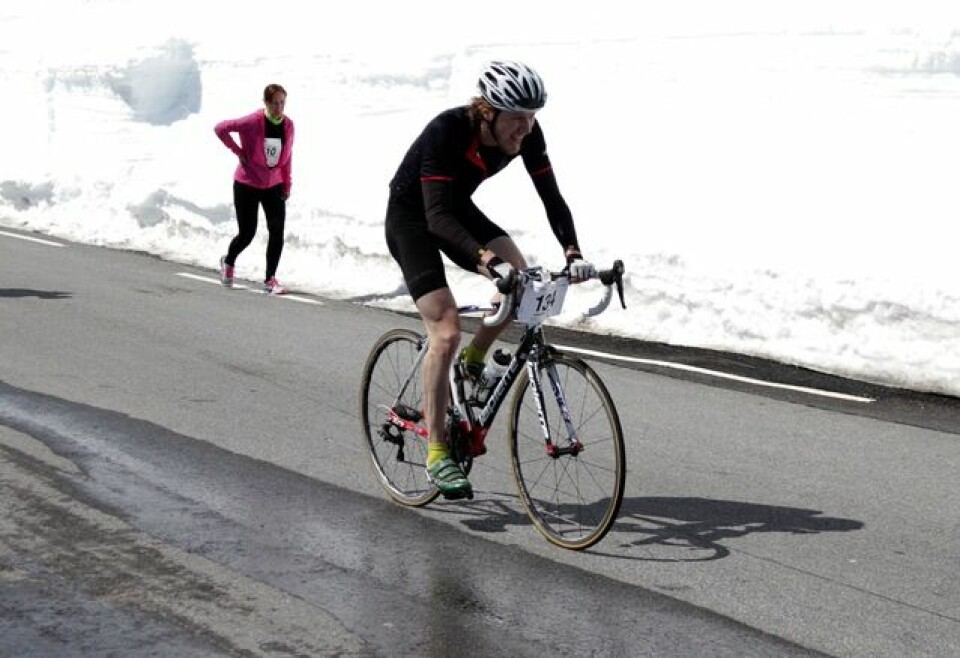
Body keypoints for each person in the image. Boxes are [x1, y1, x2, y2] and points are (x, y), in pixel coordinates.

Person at [384, 60, 595, 499]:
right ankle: (438, 452)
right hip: (413, 218)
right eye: (518, 118)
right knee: (444, 331)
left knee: (522, 281)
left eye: (533, 117)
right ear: (488, 112)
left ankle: (475, 361)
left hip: (455, 209)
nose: (526, 128)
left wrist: (572, 252)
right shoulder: (447, 132)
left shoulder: (527, 134)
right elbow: (436, 218)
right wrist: (485, 260)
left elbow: (551, 197)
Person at [214, 83, 295, 295]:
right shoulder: (252, 121)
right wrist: (238, 151)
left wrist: (287, 184)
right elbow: (220, 128)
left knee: (277, 231)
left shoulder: (288, 125)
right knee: (247, 233)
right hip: (247, 184)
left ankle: (270, 279)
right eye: (275, 103)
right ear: (266, 103)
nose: (279, 107)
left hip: (274, 186)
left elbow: (287, 158)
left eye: (282, 103)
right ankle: (228, 261)